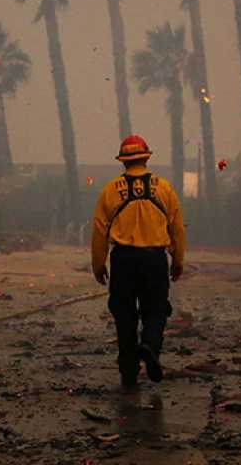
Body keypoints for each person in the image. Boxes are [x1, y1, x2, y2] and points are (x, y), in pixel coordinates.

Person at [91, 135, 186, 389]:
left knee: (124, 316)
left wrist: (98, 265)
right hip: (155, 259)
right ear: (146, 158)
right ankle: (150, 345)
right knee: (156, 310)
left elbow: (100, 230)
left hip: (123, 260)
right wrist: (178, 260)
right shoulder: (164, 188)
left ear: (123, 161)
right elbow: (177, 228)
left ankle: (129, 372)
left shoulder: (111, 190)